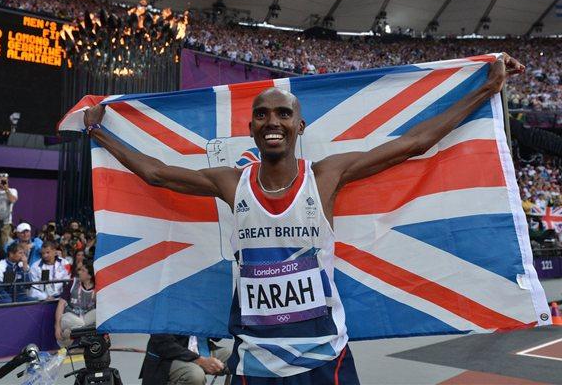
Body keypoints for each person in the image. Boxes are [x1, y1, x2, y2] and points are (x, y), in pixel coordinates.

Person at [83, 54, 523, 383]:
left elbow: (414, 142)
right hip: (256, 357)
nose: (272, 121)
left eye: (283, 113)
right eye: (262, 114)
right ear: (251, 129)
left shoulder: (326, 176)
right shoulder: (231, 182)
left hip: (323, 357)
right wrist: (98, 131)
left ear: (300, 125)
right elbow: (156, 173)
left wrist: (486, 89)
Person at [140, 334, 230, 385]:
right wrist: (200, 360)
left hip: (200, 347)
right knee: (195, 375)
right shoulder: (165, 303)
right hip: (169, 355)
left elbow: (216, 337)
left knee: (237, 359)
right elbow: (162, 343)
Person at [54, 262, 96, 347]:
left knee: (98, 313)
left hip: (84, 318)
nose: (79, 272)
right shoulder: (73, 283)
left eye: (83, 270)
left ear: (89, 276)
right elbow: (61, 305)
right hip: (69, 317)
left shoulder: (97, 288)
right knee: (79, 323)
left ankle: (70, 333)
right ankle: (82, 331)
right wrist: (57, 326)